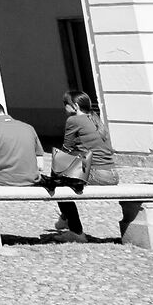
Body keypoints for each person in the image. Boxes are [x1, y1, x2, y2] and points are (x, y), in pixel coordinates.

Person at [47, 91, 119, 241]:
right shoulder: (95, 119)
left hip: (96, 173)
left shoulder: (74, 120)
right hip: (111, 173)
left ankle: (76, 231)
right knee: (60, 174)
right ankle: (65, 217)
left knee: (57, 179)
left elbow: (66, 149)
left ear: (75, 106)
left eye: (65, 104)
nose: (64, 108)